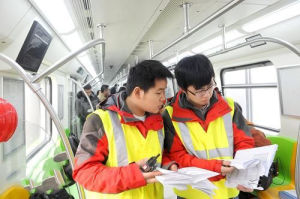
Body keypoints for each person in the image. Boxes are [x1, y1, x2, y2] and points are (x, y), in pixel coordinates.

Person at [73, 60, 176, 198]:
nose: (164, 99)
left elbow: (159, 154)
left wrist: (168, 164)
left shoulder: (158, 119)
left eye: (165, 92)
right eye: (159, 93)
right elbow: (84, 172)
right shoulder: (100, 121)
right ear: (138, 92)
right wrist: (133, 176)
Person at [163, 54, 255, 199]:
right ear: (183, 89)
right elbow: (177, 157)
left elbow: (244, 143)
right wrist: (215, 167)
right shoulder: (170, 115)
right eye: (199, 91)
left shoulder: (230, 106)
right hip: (192, 193)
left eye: (210, 86)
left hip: (228, 191)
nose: (206, 94)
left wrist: (244, 174)